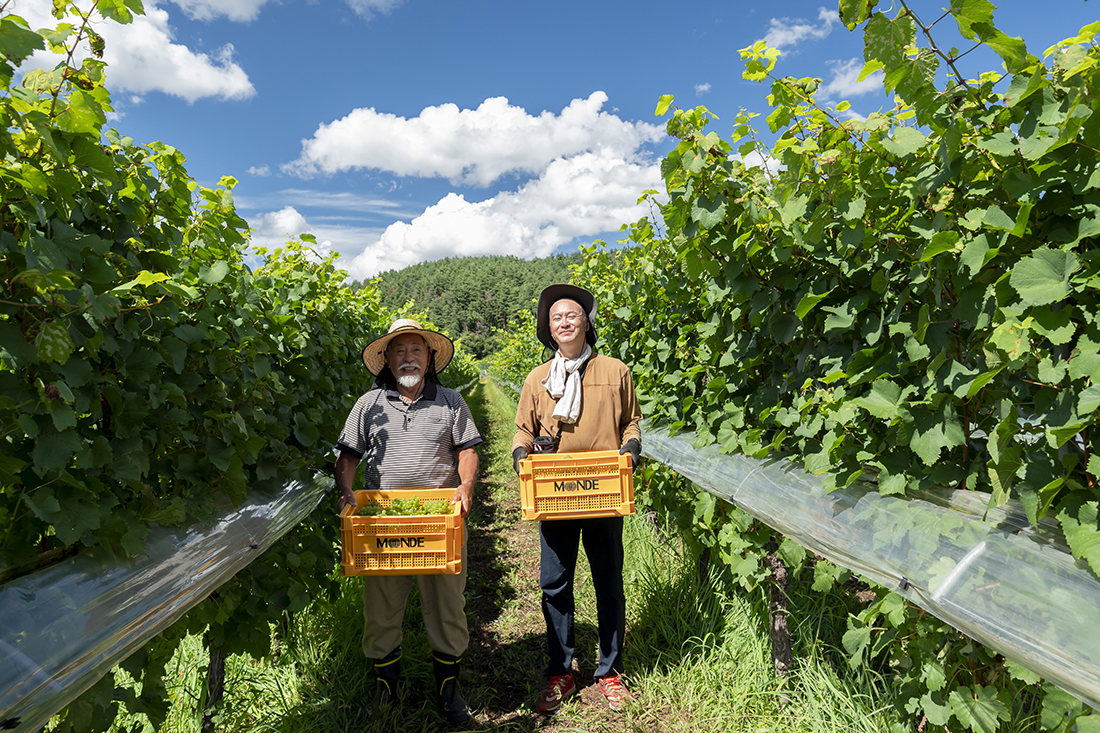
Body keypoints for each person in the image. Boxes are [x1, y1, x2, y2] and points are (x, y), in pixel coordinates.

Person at [335, 318, 482, 724]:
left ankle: (448, 689)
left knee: (448, 605)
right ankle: (386, 688)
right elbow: (349, 454)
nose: (408, 357)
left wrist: (465, 485)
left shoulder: (451, 400)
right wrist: (346, 489)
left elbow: (467, 449)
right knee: (381, 607)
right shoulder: (368, 404)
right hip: (383, 522)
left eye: (416, 349)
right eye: (399, 351)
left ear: (429, 356)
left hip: (440, 523)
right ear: (387, 359)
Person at [511, 284, 642, 714]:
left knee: (608, 581)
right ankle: (561, 670)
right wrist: (520, 455)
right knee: (555, 583)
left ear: (586, 321)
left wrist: (631, 450)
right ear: (548, 330)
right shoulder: (537, 379)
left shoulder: (615, 371)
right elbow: (523, 432)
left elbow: (632, 424)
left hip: (603, 493)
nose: (564, 322)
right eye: (556, 318)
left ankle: (609, 672)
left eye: (572, 315)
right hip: (555, 495)